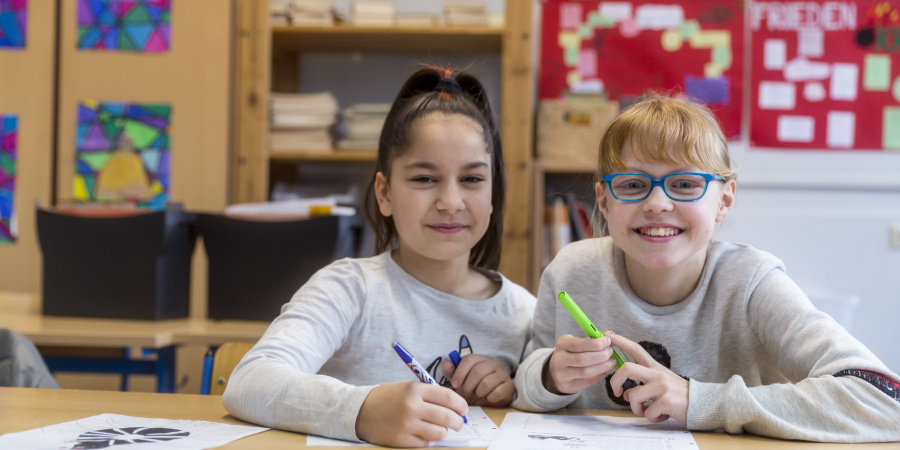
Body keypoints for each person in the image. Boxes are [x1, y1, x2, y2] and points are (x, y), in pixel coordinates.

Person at [512, 92, 900, 442]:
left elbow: (885, 399)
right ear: (604, 201)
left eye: (684, 184)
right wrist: (550, 375)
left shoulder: (751, 281)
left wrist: (698, 400)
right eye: (632, 185)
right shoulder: (571, 270)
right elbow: (525, 379)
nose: (657, 203)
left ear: (724, 201)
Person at [222, 66, 536, 447]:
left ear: (492, 194)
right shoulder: (350, 289)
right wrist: (363, 410)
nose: (451, 202)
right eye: (424, 179)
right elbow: (249, 382)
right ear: (384, 193)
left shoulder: (524, 312)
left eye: (472, 179)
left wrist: (509, 389)